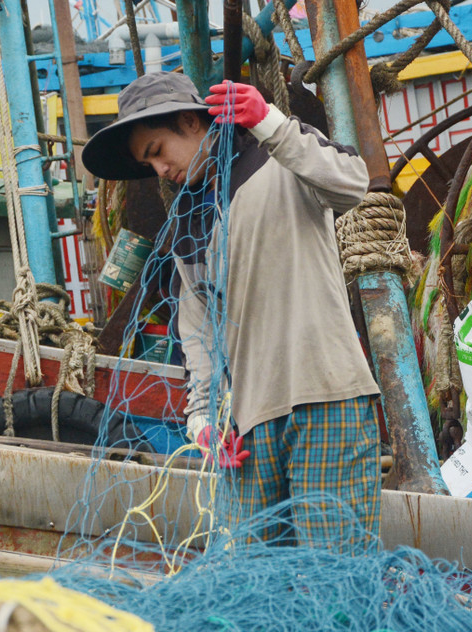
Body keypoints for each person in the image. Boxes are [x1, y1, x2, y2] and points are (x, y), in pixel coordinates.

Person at [81, 72, 381, 545]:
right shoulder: (185, 226)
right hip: (246, 426)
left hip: (326, 398)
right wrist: (202, 419)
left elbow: (352, 184)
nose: (159, 170)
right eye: (148, 162)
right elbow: (197, 335)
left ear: (189, 121)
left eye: (158, 150)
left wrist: (271, 122)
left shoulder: (281, 159)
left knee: (333, 569)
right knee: (253, 581)